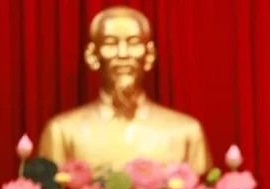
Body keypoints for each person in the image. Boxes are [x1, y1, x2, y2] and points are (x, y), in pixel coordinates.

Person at [37, 6, 211, 173]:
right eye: (110, 43)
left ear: (149, 55)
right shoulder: (61, 132)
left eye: (134, 43)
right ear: (92, 55)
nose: (122, 53)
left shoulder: (186, 132)